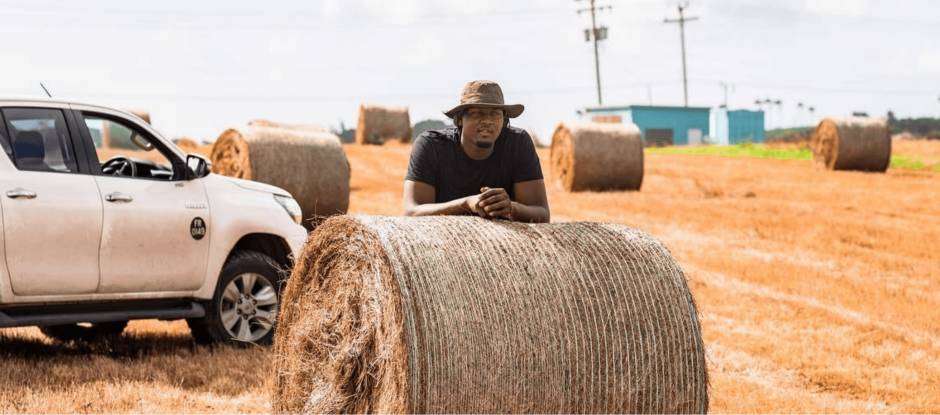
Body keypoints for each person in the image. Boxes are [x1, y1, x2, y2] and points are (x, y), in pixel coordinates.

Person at [403, 80, 550, 223]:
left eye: (495, 114)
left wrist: (511, 208)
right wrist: (466, 204)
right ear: (459, 119)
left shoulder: (518, 144)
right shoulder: (431, 147)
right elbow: (411, 212)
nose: (487, 120)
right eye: (477, 113)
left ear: (504, 121)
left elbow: (542, 214)